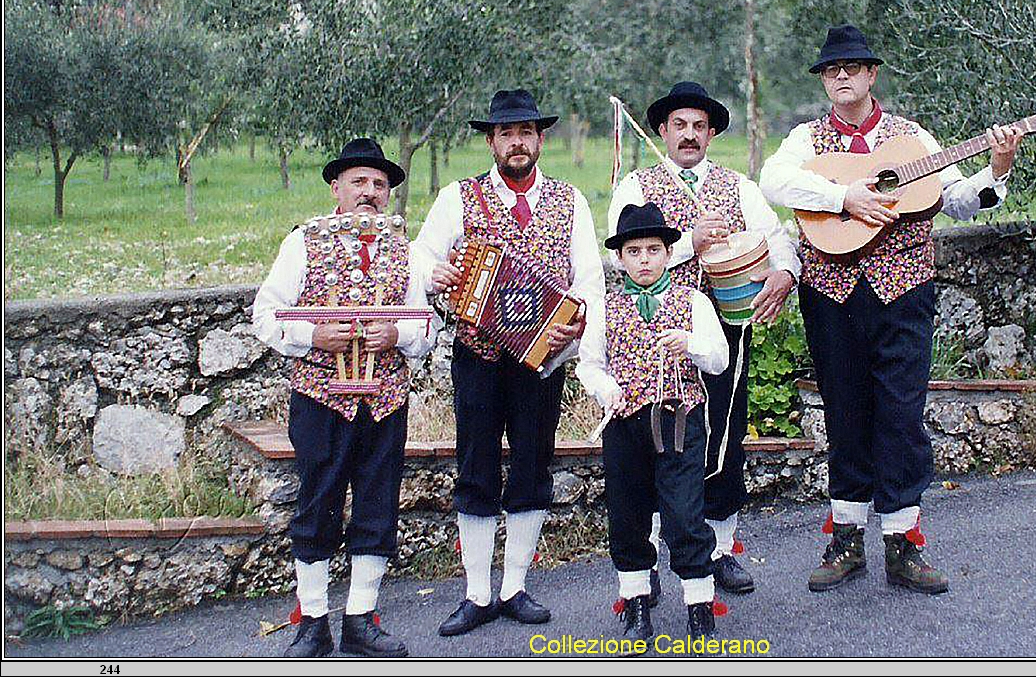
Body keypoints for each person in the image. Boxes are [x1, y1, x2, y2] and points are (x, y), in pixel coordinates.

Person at [759, 25, 1024, 595]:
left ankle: (904, 543)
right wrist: (842, 197)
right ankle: (847, 539)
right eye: (832, 71)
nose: (841, 77)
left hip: (903, 291)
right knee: (844, 412)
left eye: (851, 68)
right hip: (831, 294)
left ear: (872, 74)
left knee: (902, 416)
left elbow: (954, 200)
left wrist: (998, 168)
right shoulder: (806, 140)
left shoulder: (912, 139)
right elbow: (773, 180)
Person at [413, 89, 605, 637]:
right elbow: (422, 255)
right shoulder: (458, 197)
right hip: (477, 352)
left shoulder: (570, 202)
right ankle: (476, 592)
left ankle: (516, 585)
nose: (516, 142)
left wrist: (578, 318)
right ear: (491, 141)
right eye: (506, 134)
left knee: (531, 463)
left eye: (526, 133)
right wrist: (438, 274)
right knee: (475, 463)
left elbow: (587, 276)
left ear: (540, 139)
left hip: (540, 359)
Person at [608, 81, 798, 597]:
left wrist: (784, 272)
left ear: (711, 132)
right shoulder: (636, 189)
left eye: (698, 126)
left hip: (725, 329)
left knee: (723, 435)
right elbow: (619, 256)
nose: (689, 135)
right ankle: (645, 559)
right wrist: (688, 243)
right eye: (679, 126)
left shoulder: (738, 187)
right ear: (663, 131)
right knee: (650, 441)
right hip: (651, 338)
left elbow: (776, 236)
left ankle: (718, 550)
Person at [252, 137, 437, 657]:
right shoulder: (303, 243)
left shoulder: (406, 251)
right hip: (319, 397)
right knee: (318, 501)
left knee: (377, 504)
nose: (370, 193)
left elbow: (427, 328)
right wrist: (316, 335)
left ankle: (361, 619)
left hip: (385, 398)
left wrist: (394, 336)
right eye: (359, 181)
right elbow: (265, 314)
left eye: (380, 185)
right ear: (336, 187)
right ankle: (313, 621)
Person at [577, 202, 730, 649]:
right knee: (627, 515)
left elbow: (719, 360)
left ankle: (699, 603)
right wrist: (604, 387)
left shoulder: (693, 301)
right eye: (633, 251)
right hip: (624, 425)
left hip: (679, 422)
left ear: (667, 254)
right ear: (619, 258)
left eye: (652, 249)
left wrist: (691, 344)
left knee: (684, 513)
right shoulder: (606, 307)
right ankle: (636, 600)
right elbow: (589, 365)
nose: (644, 259)